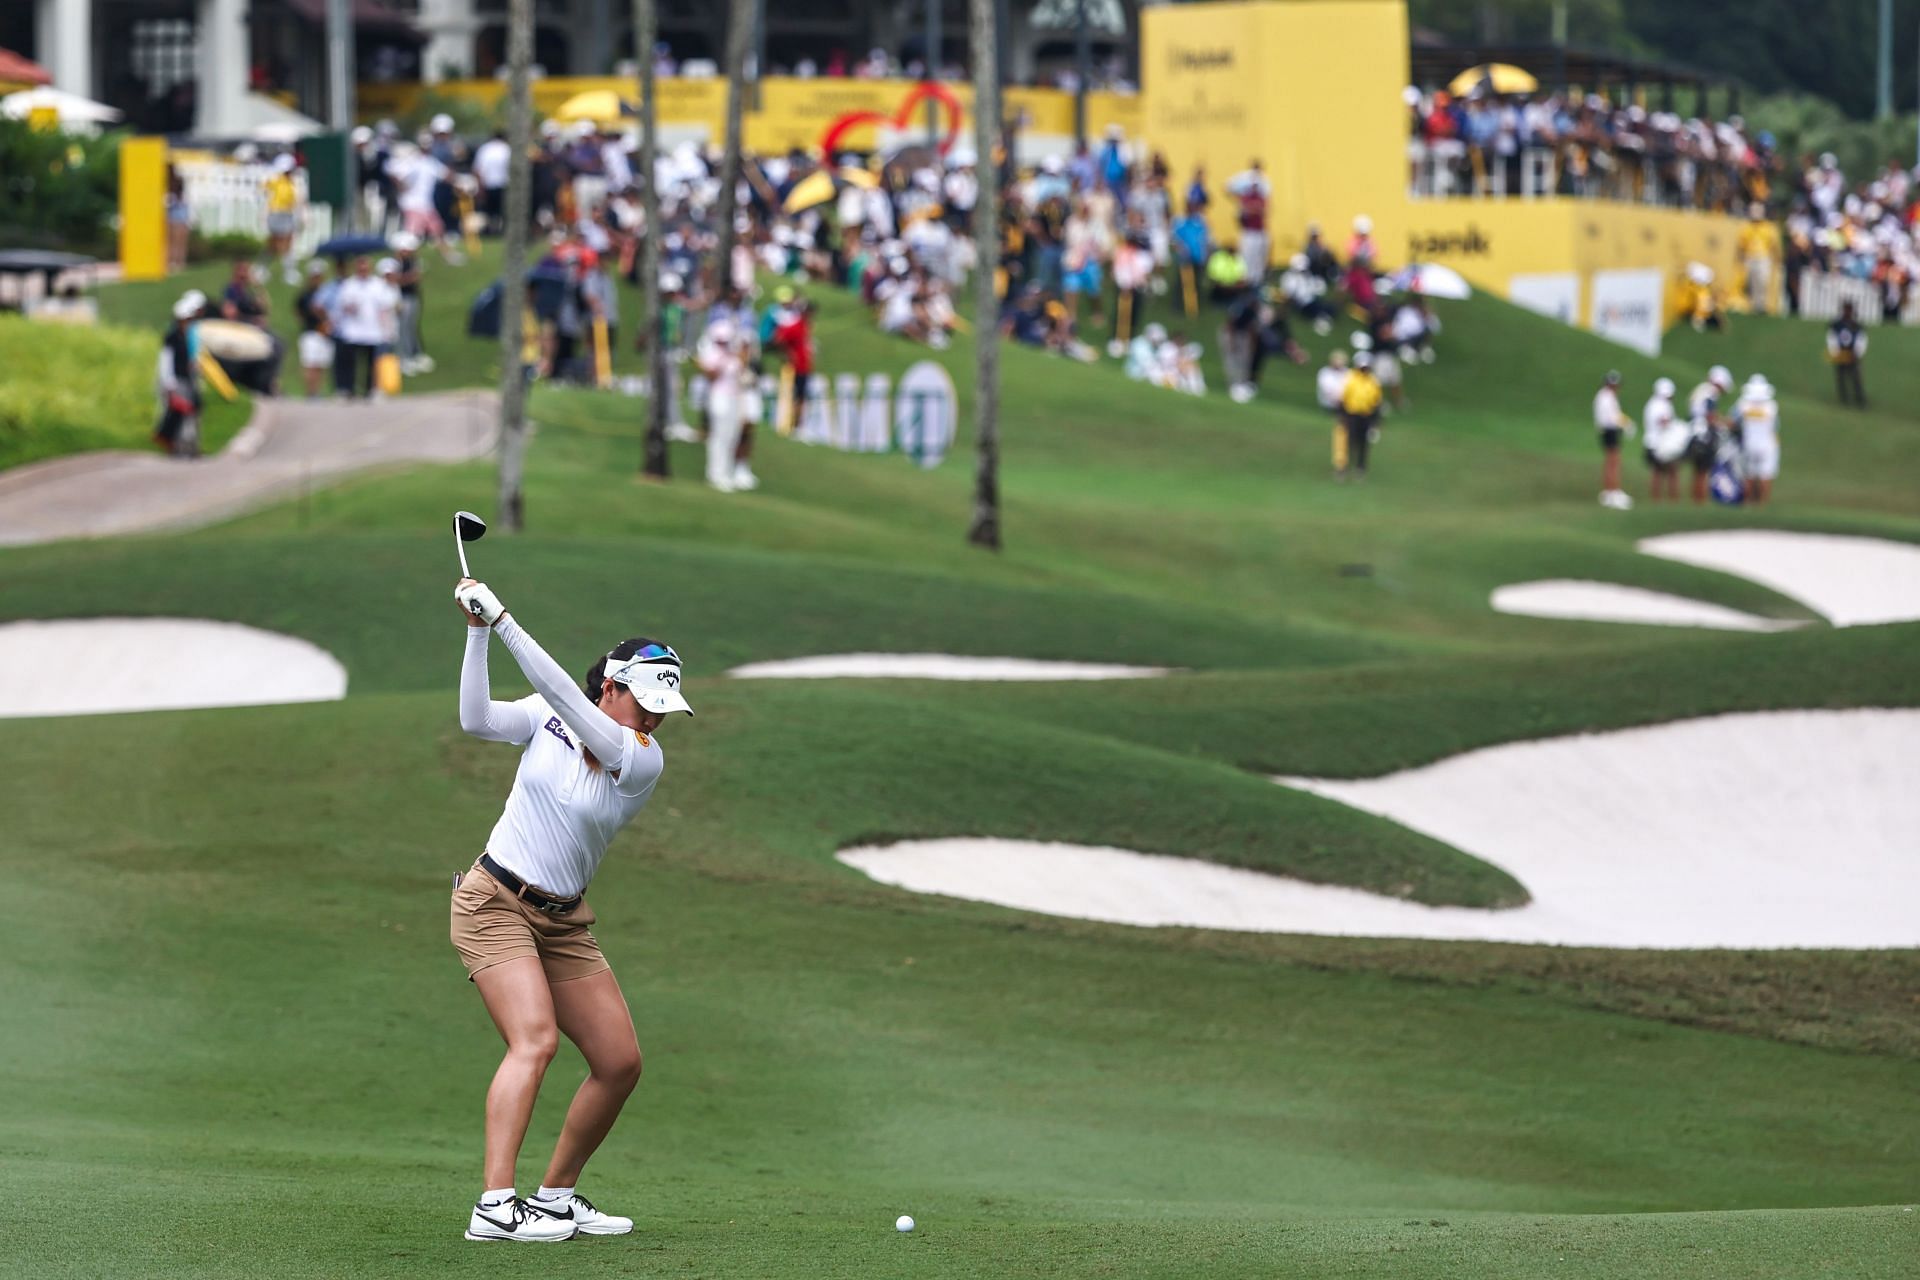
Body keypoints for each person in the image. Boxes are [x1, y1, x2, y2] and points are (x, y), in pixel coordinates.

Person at [447, 575, 692, 1244]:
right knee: (536, 1040)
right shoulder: (547, 716)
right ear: (608, 687)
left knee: (619, 1062)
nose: (654, 716)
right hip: (492, 902)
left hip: (562, 922)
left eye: (662, 706)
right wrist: (477, 633)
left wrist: (503, 620)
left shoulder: (641, 759)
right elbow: (477, 720)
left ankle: (554, 1197)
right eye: (643, 700)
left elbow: (562, 694)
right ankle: (495, 1206)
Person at [696, 315, 749, 492]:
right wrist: (721, 361)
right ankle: (715, 473)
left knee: (732, 435)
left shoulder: (733, 357)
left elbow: (741, 374)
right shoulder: (712, 355)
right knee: (719, 435)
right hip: (718, 397)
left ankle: (727, 472)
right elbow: (711, 377)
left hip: (733, 397)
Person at [330, 255, 392, 399]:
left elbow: (385, 308)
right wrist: (350, 308)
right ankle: (347, 389)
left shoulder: (378, 285)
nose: (363, 270)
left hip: (373, 330)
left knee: (372, 362)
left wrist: (387, 329)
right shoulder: (349, 285)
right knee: (349, 361)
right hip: (353, 330)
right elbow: (341, 305)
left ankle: (371, 389)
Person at [154, 291, 204, 458]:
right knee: (178, 415)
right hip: (177, 381)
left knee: (190, 414)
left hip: (187, 379)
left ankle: (189, 448)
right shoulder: (172, 338)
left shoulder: (186, 337)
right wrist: (170, 383)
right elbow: (166, 362)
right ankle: (177, 447)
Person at [1684, 365, 1735, 504]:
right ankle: (1700, 502)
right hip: (1704, 436)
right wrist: (1724, 423)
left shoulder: (1700, 389)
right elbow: (1710, 416)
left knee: (1697, 472)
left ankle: (1696, 502)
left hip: (1694, 433)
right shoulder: (1710, 393)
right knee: (1703, 472)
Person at [1338, 350, 1383, 480]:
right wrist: (1342, 416)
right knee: (1348, 442)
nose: (1364, 369)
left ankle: (1360, 467)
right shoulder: (1350, 378)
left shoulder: (1373, 381)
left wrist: (1375, 422)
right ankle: (1343, 467)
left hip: (1366, 416)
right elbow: (1343, 399)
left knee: (1363, 443)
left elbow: (1377, 402)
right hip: (1351, 415)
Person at [1593, 370, 1634, 509]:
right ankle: (1613, 492)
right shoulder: (1606, 397)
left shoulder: (1604, 396)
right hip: (1609, 431)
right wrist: (1626, 423)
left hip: (1608, 431)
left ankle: (1610, 492)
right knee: (1614, 462)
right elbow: (1613, 417)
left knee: (1611, 462)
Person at [1736, 374, 1780, 505]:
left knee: (1749, 475)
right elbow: (1776, 426)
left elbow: (1735, 421)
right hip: (1767, 444)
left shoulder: (1742, 405)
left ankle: (1748, 502)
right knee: (1765, 476)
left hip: (1749, 443)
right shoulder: (1772, 406)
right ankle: (1762, 504)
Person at [294, 261, 335, 400]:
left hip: (324, 333)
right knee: (310, 364)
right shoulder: (305, 295)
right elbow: (299, 312)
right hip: (310, 332)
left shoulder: (327, 293)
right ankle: (310, 392)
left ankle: (317, 391)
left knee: (321, 365)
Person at [1641, 376, 1683, 503]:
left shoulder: (1652, 403)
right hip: (1661, 445)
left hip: (1652, 443)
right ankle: (1670, 500)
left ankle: (1658, 500)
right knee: (1670, 471)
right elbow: (1664, 422)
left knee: (1658, 473)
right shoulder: (1661, 404)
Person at [264, 153, 302, 284]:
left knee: (283, 244)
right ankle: (288, 272)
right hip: (278, 213)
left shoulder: (288, 182)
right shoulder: (276, 181)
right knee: (280, 244)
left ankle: (264, 269)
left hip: (286, 213)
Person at [1827, 300, 1867, 408]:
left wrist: (1857, 353)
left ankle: (1860, 398)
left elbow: (1861, 339)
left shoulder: (1856, 325)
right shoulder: (1837, 325)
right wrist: (1835, 352)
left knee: (1856, 377)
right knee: (1841, 377)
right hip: (1841, 354)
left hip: (1853, 355)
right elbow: (1832, 338)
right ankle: (1844, 399)